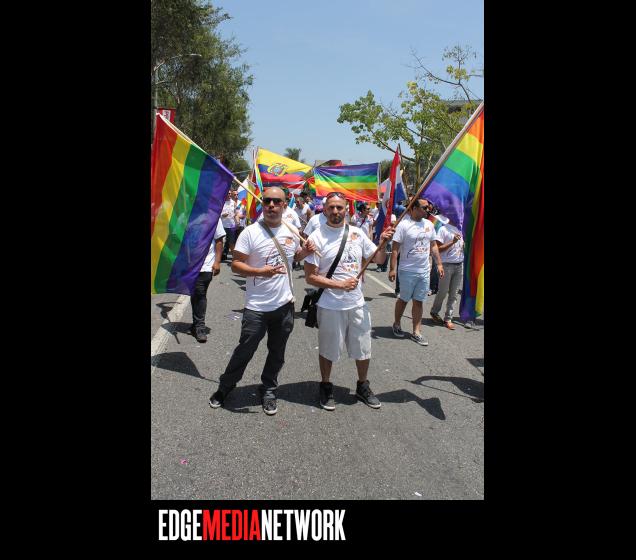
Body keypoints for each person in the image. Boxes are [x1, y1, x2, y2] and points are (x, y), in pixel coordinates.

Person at [209, 187, 316, 415]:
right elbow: (236, 265)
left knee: (277, 353)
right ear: (263, 204)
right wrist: (260, 272)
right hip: (256, 307)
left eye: (276, 201)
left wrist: (305, 253)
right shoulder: (250, 232)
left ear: (284, 205)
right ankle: (225, 387)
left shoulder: (291, 230)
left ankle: (268, 389)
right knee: (244, 351)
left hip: (284, 305)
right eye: (267, 201)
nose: (271, 205)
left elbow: (293, 258)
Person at [304, 192, 394, 411]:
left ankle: (363, 386)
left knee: (363, 348)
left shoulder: (357, 233)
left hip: (357, 304)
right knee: (328, 349)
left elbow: (378, 259)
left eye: (340, 207)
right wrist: (339, 285)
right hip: (330, 305)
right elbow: (310, 277)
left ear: (346, 210)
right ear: (325, 210)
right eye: (331, 207)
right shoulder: (316, 237)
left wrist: (383, 243)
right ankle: (326, 385)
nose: (335, 211)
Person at [388, 199, 444, 346]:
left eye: (429, 208)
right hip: (407, 270)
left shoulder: (429, 224)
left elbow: (433, 245)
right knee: (403, 299)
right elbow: (395, 249)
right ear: (413, 208)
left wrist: (439, 264)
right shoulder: (403, 225)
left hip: (424, 271)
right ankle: (397, 323)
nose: (428, 210)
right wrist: (392, 269)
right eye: (425, 207)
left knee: (419, 301)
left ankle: (416, 332)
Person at [190, 219, 226, 343]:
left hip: (206, 264)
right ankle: (195, 324)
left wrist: (217, 261)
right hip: (189, 264)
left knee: (200, 293)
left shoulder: (213, 215)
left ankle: (200, 327)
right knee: (195, 293)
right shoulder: (186, 213)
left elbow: (219, 239)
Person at [429, 224, 464, 330]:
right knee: (443, 292)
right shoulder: (443, 229)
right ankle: (434, 311)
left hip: (459, 265)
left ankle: (448, 318)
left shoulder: (460, 228)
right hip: (446, 265)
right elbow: (438, 249)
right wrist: (452, 242)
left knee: (454, 294)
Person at [221, 190, 238, 260]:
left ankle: (234, 258)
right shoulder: (221, 202)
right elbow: (218, 214)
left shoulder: (233, 203)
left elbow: (236, 214)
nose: (229, 194)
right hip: (223, 225)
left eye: (230, 193)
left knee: (232, 241)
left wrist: (237, 222)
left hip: (232, 225)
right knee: (222, 241)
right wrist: (222, 215)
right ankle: (220, 255)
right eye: (228, 193)